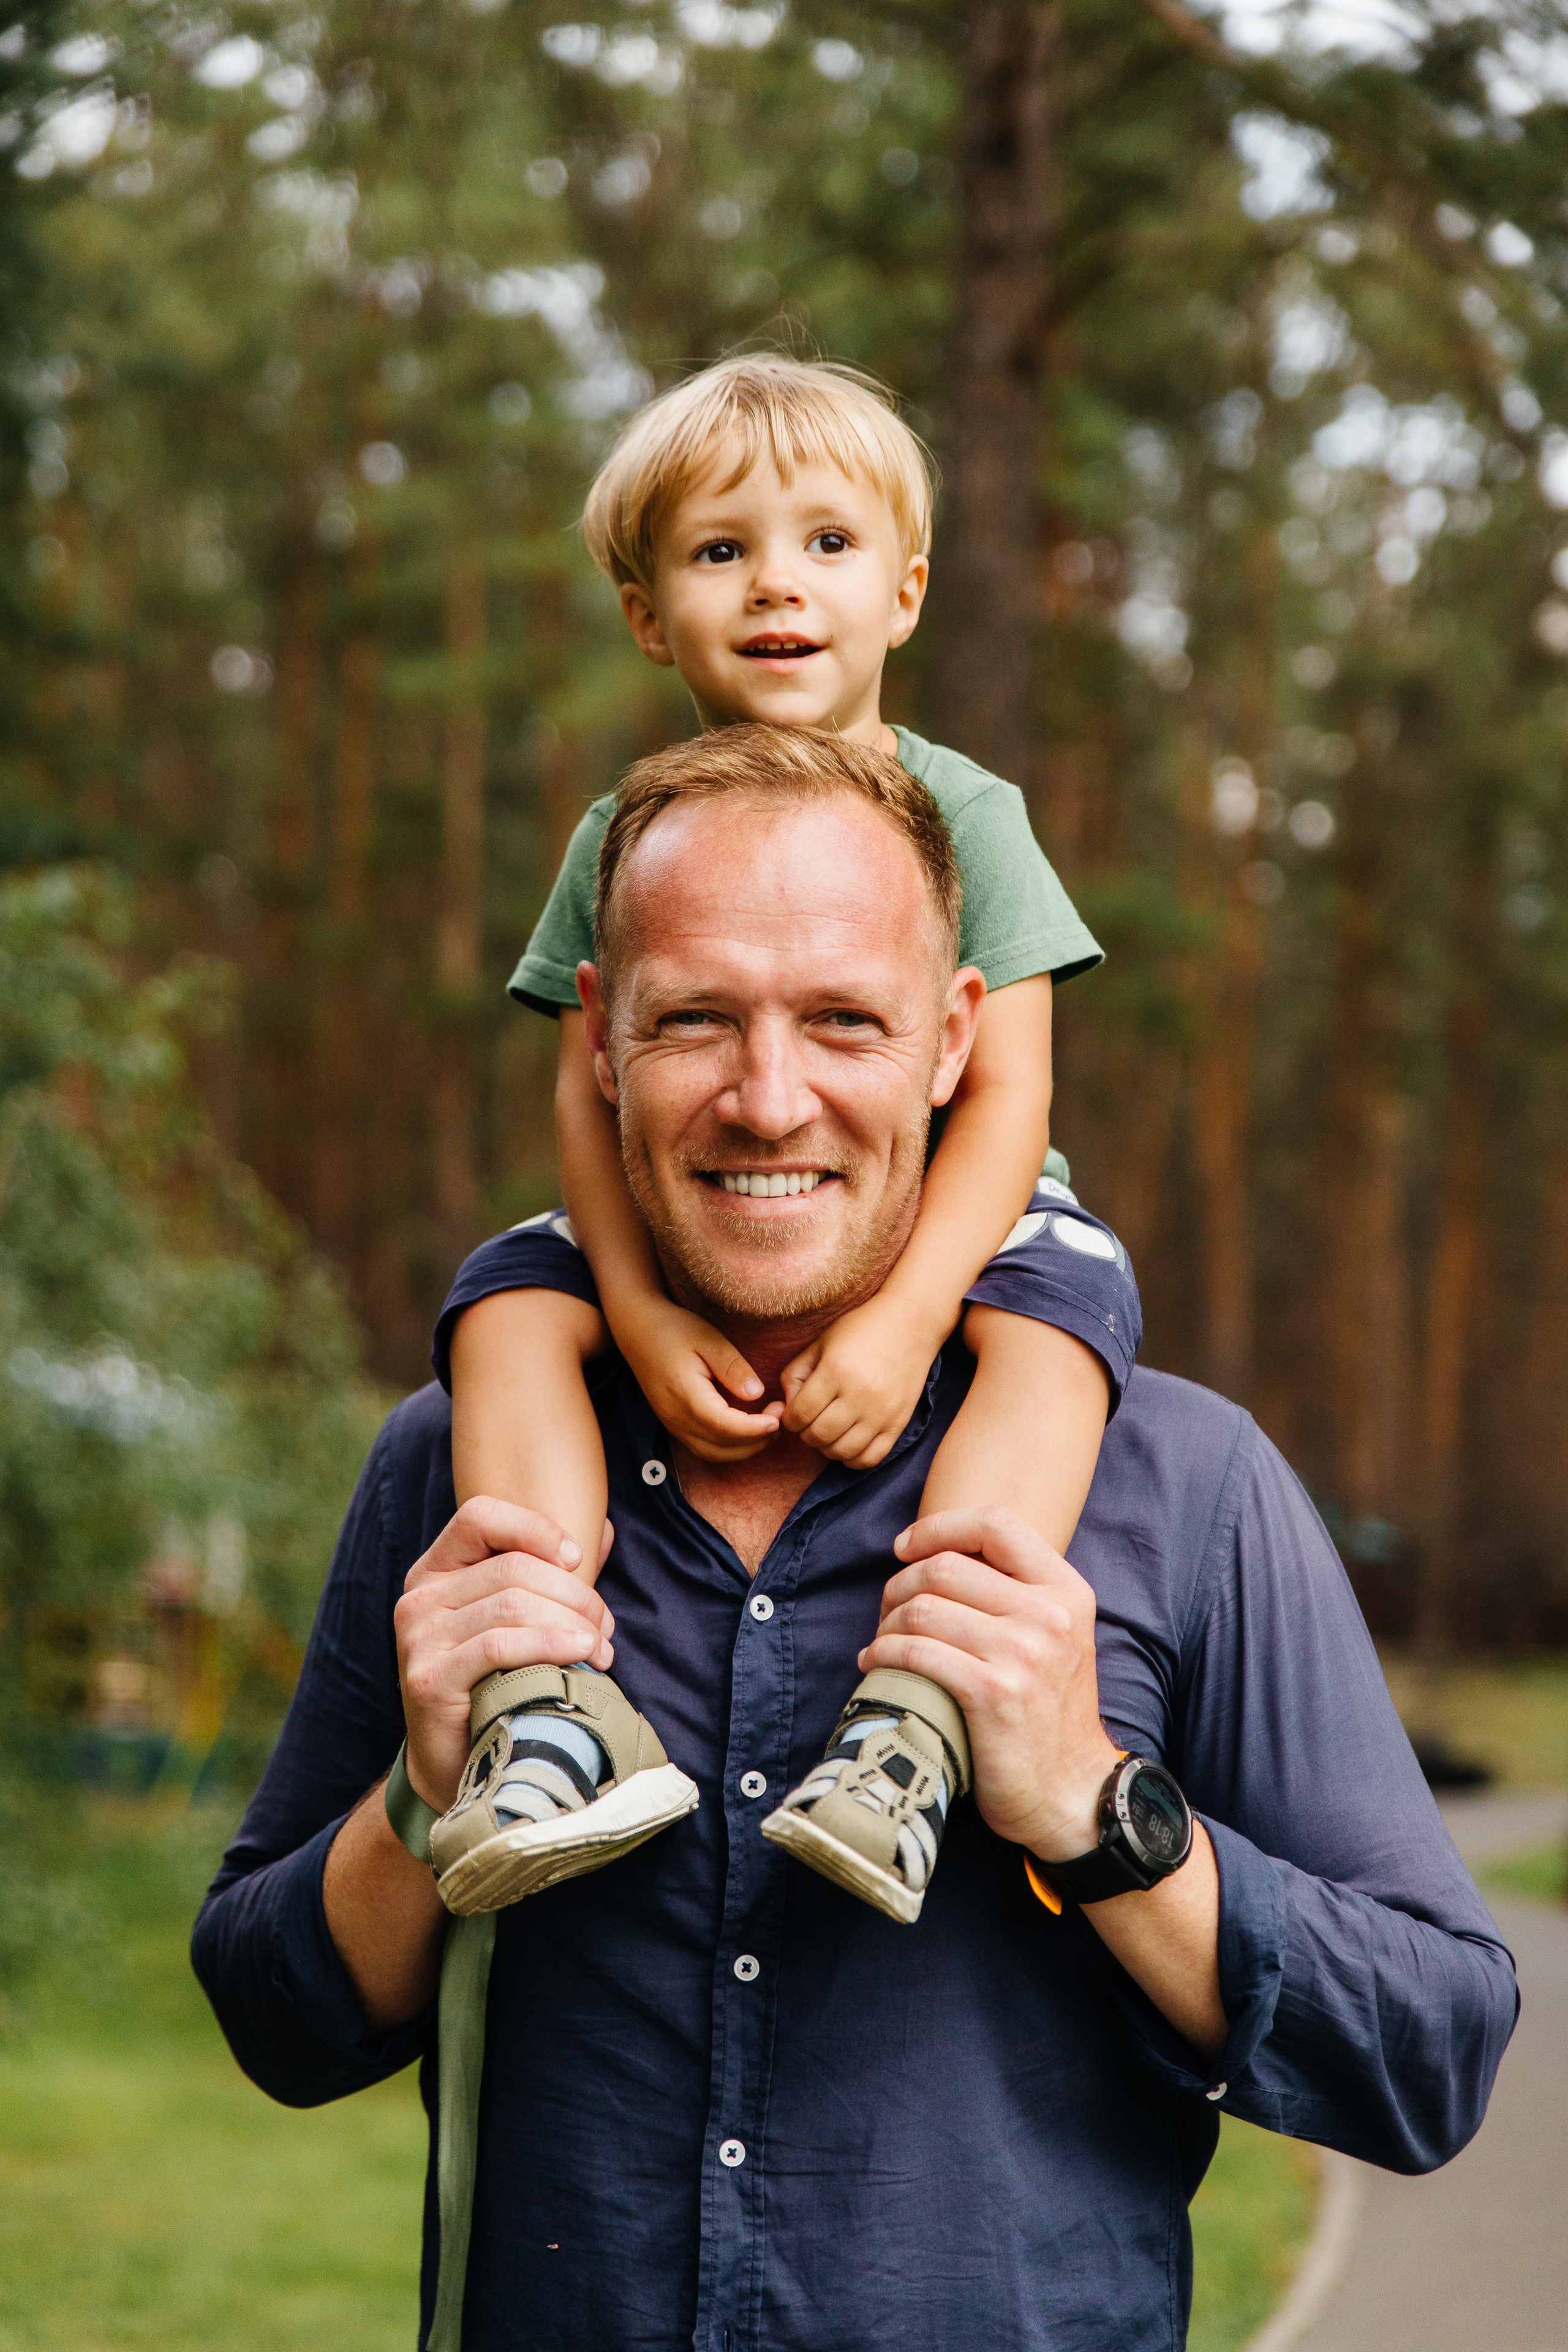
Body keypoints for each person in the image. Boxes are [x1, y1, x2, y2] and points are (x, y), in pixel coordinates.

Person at [194, 731, 1516, 2352]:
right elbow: (277, 2022)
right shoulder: (454, 1471)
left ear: (957, 1039)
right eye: (695, 1021)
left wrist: (1101, 1817)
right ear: (598, 1037)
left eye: (843, 1021)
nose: (768, 1099)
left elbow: (1430, 2053)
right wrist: (418, 1799)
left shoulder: (1185, 1482)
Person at [439, 352, 1118, 1928]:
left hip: (966, 1219)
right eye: (719, 551)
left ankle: (914, 1730)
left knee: (1058, 1334)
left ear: (906, 591)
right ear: (643, 609)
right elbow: (579, 1090)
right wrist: (639, 1305)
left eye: (826, 545)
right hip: (697, 1227)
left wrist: (901, 1321)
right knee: (503, 1307)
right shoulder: (620, 837)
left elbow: (1005, 1097)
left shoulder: (964, 809)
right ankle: (546, 1706)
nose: (775, 590)